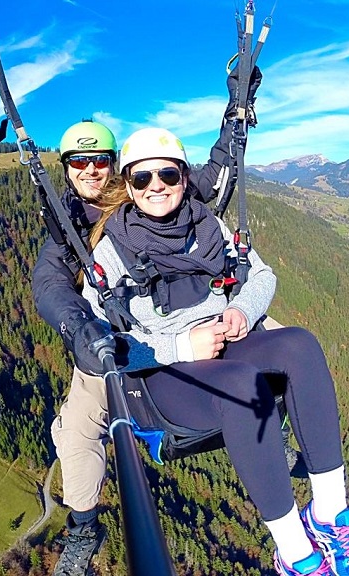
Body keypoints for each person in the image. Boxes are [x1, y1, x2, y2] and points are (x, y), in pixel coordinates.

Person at [79, 127, 349, 576]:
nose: (156, 185)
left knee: (300, 344)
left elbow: (261, 276)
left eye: (167, 174)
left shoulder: (207, 225)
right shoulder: (112, 252)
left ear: (183, 176)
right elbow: (97, 342)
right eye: (142, 179)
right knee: (243, 384)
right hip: (167, 377)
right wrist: (181, 344)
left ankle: (330, 516)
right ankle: (297, 554)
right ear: (128, 185)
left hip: (225, 346)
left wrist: (239, 309)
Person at [33, 71, 262, 575]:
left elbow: (213, 176)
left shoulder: (146, 187)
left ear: (115, 164)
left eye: (99, 160)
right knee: (77, 430)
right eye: (79, 161)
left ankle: (274, 430)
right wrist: (81, 331)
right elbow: (49, 286)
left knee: (257, 334)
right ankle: (84, 529)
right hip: (111, 338)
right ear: (66, 168)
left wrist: (237, 108)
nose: (91, 169)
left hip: (177, 313)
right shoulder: (67, 229)